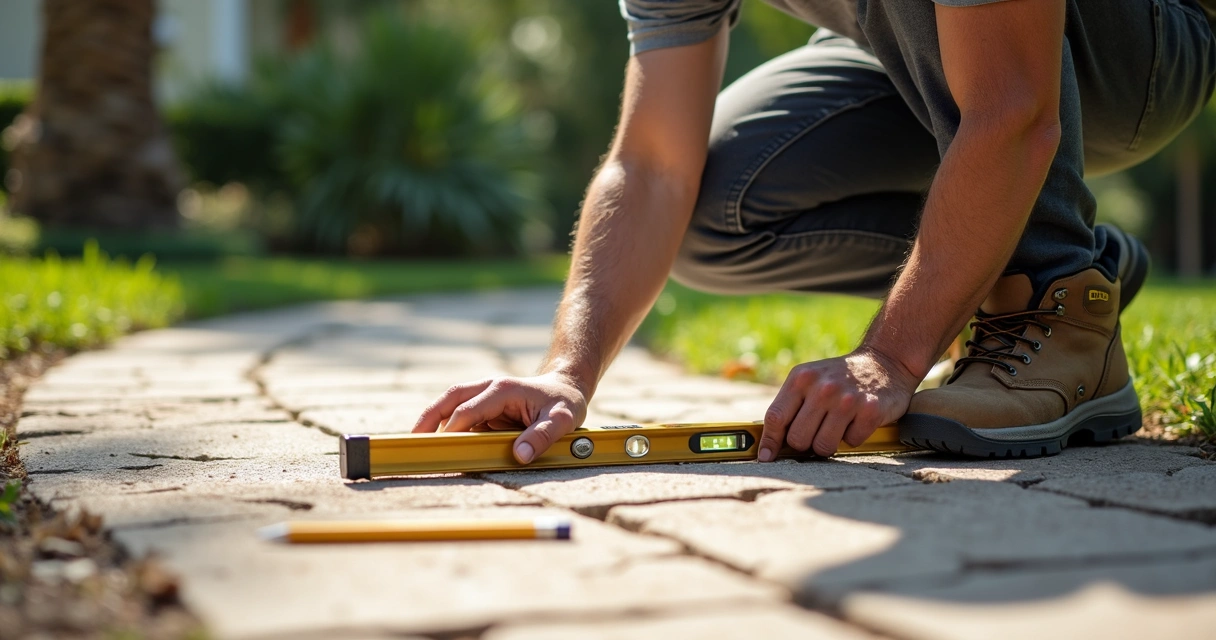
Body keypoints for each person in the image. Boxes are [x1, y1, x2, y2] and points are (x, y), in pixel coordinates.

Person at [415, 0, 1216, 461]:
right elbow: (655, 163)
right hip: (916, 42)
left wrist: (890, 357)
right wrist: (568, 372)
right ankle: (1052, 263)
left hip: (1138, 49)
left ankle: (1055, 296)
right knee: (714, 211)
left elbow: (1014, 107)